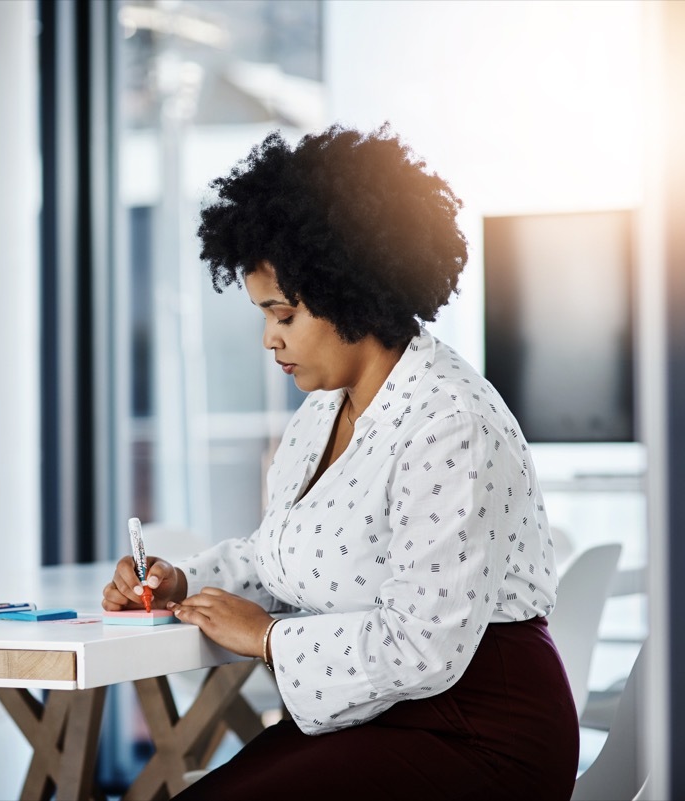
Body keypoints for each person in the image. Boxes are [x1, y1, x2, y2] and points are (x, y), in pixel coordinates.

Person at [101, 124, 579, 800]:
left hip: (481, 735)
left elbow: (423, 647)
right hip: (381, 718)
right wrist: (183, 582)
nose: (269, 338)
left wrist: (266, 638)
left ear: (350, 290)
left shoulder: (448, 422)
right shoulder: (323, 413)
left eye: (284, 314)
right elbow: (282, 559)